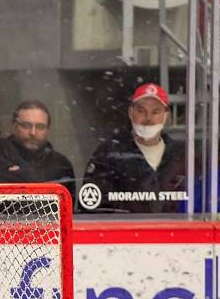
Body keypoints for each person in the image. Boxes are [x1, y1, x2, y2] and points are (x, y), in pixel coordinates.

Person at [79, 83, 187, 213]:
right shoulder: (109, 154)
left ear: (166, 116)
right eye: (141, 111)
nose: (148, 118)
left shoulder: (181, 155)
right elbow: (93, 208)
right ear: (131, 113)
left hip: (173, 231)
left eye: (155, 112)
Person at [0, 99, 76, 200]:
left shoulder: (61, 164)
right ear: (14, 127)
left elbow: (68, 209)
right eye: (26, 125)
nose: (33, 132)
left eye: (40, 127)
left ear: (48, 130)